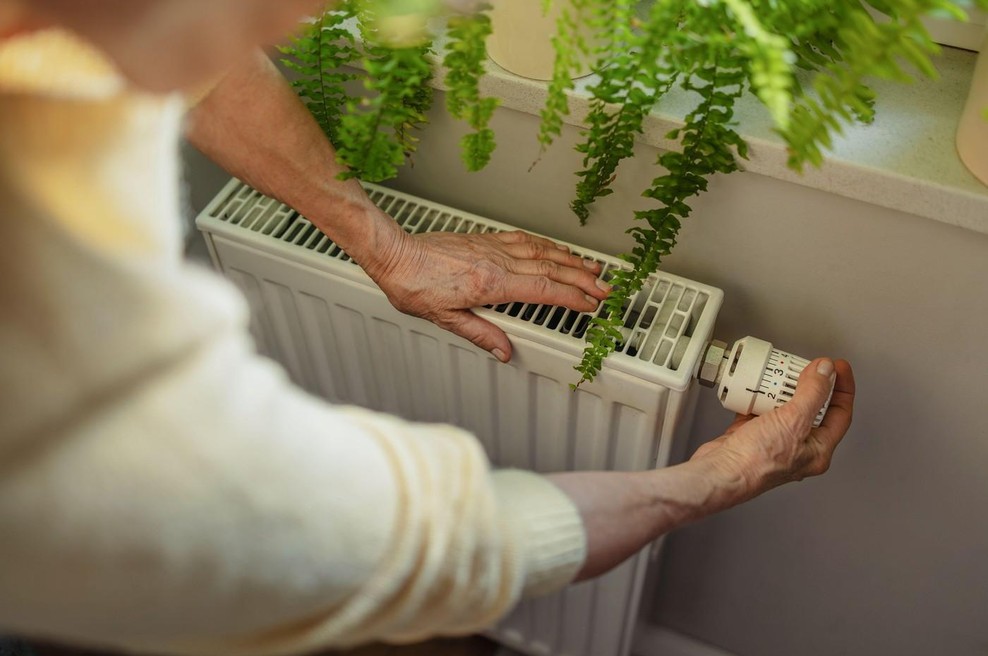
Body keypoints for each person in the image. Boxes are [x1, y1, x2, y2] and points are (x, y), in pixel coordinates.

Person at [0, 1, 855, 655]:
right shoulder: (50, 358)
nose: (307, 20)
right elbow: (436, 543)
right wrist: (719, 476)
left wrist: (387, 247)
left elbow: (200, 59)